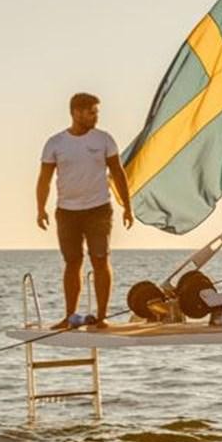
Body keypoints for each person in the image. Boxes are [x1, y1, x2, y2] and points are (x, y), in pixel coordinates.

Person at [36, 93, 134, 329]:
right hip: (67, 212)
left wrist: (127, 207)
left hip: (98, 210)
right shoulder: (55, 143)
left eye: (96, 112)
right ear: (76, 112)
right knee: (72, 262)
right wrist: (40, 209)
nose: (95, 116)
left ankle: (101, 317)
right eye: (91, 112)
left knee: (100, 260)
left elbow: (118, 174)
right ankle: (70, 316)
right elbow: (44, 179)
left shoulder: (104, 140)